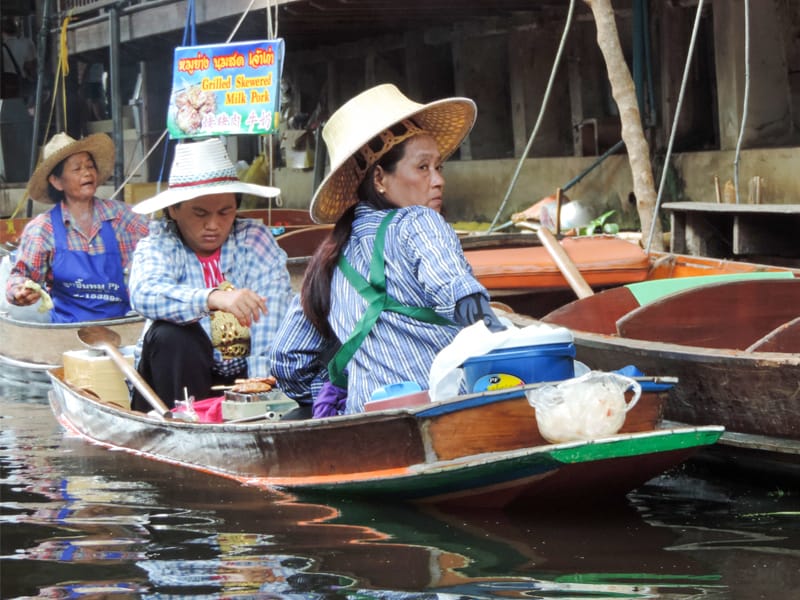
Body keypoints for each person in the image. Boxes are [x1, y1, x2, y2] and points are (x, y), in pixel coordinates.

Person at [269, 83, 505, 417]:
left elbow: (286, 360)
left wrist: (340, 392)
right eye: (423, 167)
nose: (438, 180)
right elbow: (459, 294)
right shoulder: (420, 222)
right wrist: (500, 334)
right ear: (380, 178)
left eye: (439, 167)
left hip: (363, 422)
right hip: (442, 415)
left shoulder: (332, 255)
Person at [128, 137, 293, 411]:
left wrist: (258, 389)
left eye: (225, 212)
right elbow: (144, 293)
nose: (213, 225)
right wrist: (212, 299)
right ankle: (186, 424)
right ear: (174, 210)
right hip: (175, 383)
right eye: (200, 213)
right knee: (171, 336)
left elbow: (271, 314)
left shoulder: (254, 241)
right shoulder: (160, 243)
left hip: (242, 378)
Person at [5, 132, 149, 323]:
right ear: (57, 181)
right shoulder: (42, 230)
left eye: (90, 166)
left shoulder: (125, 217)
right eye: (77, 169)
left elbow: (158, 249)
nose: (87, 172)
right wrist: (19, 291)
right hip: (66, 331)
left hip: (122, 325)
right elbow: (21, 275)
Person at [1, 17, 36, 102]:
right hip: (19, 86)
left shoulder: (2, 48)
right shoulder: (27, 43)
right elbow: (31, 67)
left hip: (4, 88)